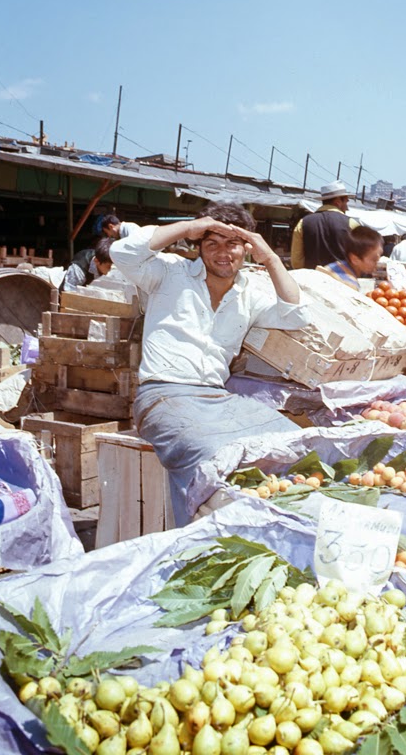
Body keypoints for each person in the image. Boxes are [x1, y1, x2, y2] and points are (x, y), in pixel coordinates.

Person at [110, 202, 310, 525]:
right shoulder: (169, 273)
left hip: (218, 399)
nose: (223, 254)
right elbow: (123, 253)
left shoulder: (250, 294)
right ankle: (196, 539)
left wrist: (271, 257)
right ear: (199, 247)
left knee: (291, 440)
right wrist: (189, 226)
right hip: (163, 396)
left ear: (246, 248)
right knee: (206, 454)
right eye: (212, 243)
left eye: (232, 244)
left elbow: (297, 314)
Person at [290, 181, 359, 269]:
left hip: (312, 279)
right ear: (337, 202)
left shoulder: (303, 223)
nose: (347, 208)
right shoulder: (351, 223)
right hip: (342, 280)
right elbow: (360, 259)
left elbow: (296, 262)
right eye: (346, 202)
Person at [318, 226, 384, 292]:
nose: (378, 262)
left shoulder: (336, 266)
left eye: (380, 256)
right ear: (355, 259)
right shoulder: (349, 286)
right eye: (374, 259)